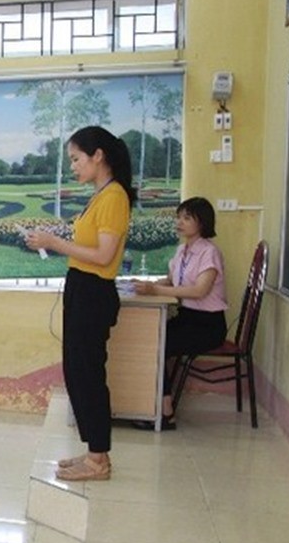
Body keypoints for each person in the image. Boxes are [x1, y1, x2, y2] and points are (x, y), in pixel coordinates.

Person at [27, 126, 135, 482]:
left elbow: (104, 256)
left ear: (98, 156)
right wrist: (53, 241)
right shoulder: (100, 195)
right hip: (81, 288)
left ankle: (99, 460)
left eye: (76, 159)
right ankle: (93, 452)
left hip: (93, 294)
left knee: (88, 375)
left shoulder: (114, 196)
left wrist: (55, 243)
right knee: (77, 372)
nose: (72, 166)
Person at [132, 196, 228, 429]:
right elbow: (172, 280)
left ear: (202, 222)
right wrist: (147, 285)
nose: (179, 222)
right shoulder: (182, 250)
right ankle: (149, 405)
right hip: (186, 318)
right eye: (178, 217)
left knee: (158, 345)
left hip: (207, 326)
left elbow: (199, 290)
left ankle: (166, 414)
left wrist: (156, 290)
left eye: (186, 218)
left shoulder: (209, 252)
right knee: (150, 338)